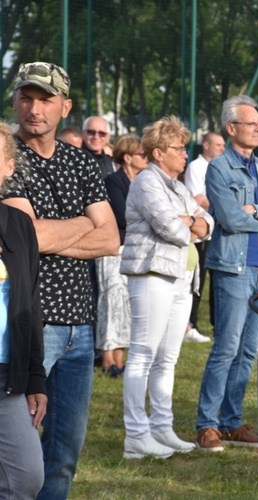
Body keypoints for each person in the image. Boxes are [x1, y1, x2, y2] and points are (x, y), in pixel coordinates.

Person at [3, 61, 119, 498]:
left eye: (45, 99)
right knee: (19, 454)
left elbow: (110, 239)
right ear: (14, 100)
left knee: (64, 454)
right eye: (26, 97)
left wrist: (49, 232)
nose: (34, 108)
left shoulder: (83, 162)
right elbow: (24, 236)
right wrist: (81, 225)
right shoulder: (6, 158)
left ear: (65, 107)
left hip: (80, 326)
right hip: (31, 323)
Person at [119, 115, 214, 459]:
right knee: (143, 354)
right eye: (179, 148)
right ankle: (136, 435)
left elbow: (210, 223)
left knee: (168, 358)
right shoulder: (146, 182)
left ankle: (161, 428)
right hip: (152, 275)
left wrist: (192, 222)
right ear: (158, 152)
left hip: (180, 278)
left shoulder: (176, 185)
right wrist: (191, 222)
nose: (185, 154)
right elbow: (171, 230)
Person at [196, 95, 258, 451]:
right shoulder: (218, 168)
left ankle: (231, 422)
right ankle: (207, 424)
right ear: (231, 129)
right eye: (252, 124)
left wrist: (255, 210)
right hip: (233, 267)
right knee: (227, 347)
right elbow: (230, 219)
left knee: (248, 350)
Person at [0, 121, 46, 500]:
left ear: (8, 168)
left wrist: (35, 379)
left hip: (8, 377)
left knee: (27, 478)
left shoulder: (18, 225)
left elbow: (30, 303)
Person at [96, 134, 149, 377]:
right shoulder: (113, 182)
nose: (147, 158)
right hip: (113, 250)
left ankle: (120, 357)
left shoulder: (144, 182)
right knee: (111, 301)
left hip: (133, 250)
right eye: (142, 154)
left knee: (127, 305)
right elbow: (121, 215)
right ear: (127, 158)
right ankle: (108, 359)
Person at [184, 131, 225, 344]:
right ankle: (190, 325)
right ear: (206, 145)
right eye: (218, 144)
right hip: (200, 233)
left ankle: (217, 325)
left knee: (215, 280)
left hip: (215, 229)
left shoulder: (220, 167)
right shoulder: (195, 167)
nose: (222, 148)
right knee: (196, 282)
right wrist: (224, 207)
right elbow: (198, 199)